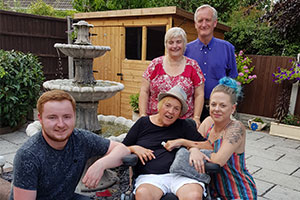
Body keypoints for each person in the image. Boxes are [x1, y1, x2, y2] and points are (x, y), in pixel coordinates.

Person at [10, 90, 130, 200]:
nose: (61, 124)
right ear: (40, 119)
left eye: (67, 117)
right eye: (52, 118)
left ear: (74, 117)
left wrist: (100, 164)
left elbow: (122, 150)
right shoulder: (28, 155)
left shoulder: (81, 139)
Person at [164, 77, 257, 200]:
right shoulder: (208, 122)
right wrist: (194, 150)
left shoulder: (236, 128)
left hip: (237, 191)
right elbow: (195, 144)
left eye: (223, 105)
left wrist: (184, 142)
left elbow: (217, 160)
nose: (217, 109)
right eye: (213, 104)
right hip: (212, 191)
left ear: (233, 108)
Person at [123, 86, 212, 200]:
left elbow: (208, 146)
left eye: (176, 108)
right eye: (167, 105)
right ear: (159, 106)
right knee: (143, 194)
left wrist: (184, 143)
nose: (171, 111)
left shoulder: (184, 125)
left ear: (180, 113)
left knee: (193, 195)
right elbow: (122, 147)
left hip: (182, 176)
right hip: (151, 178)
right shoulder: (143, 123)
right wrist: (135, 148)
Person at [139, 27, 205, 127]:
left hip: (183, 123)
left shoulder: (193, 66)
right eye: (171, 42)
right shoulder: (155, 64)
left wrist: (196, 118)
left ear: (184, 44)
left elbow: (199, 94)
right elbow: (144, 91)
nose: (175, 46)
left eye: (178, 42)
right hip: (155, 121)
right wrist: (143, 115)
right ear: (166, 45)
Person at [184, 4, 238, 122]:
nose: (204, 24)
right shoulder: (186, 50)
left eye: (208, 20)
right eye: (200, 21)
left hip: (218, 110)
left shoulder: (227, 48)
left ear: (215, 23)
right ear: (195, 24)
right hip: (192, 110)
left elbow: (233, 79)